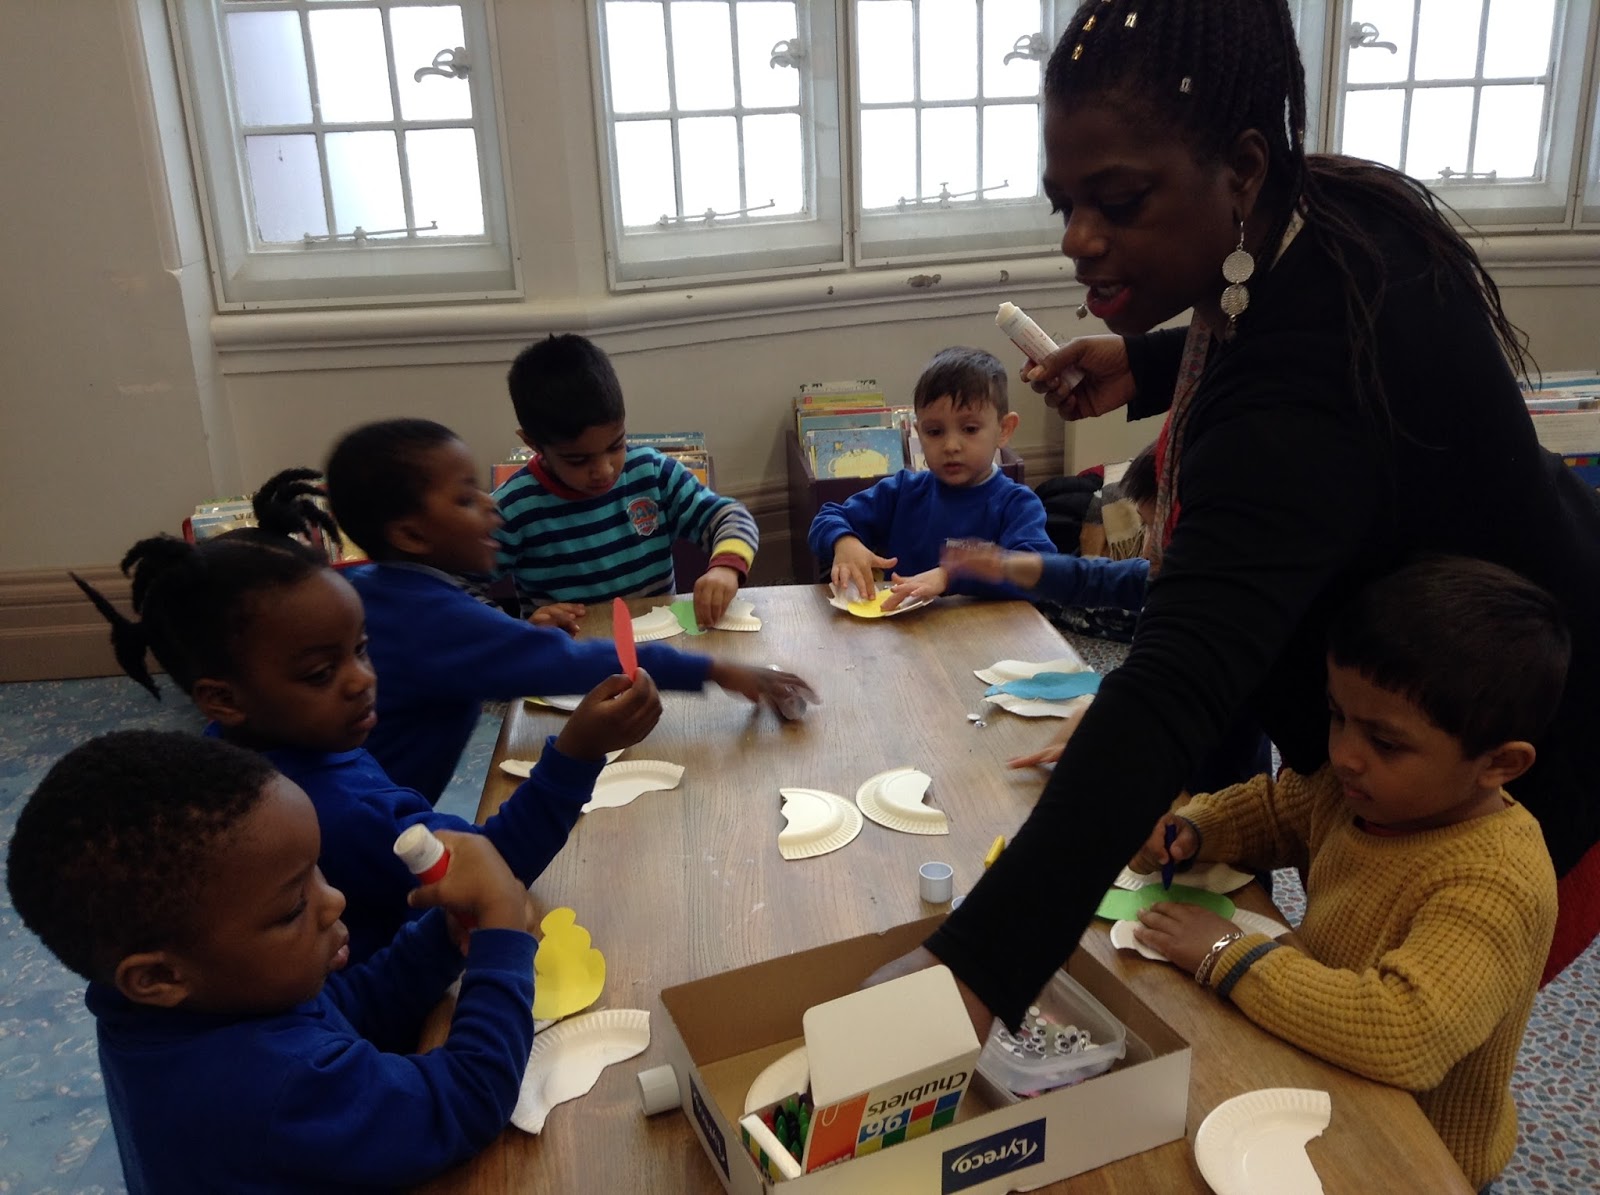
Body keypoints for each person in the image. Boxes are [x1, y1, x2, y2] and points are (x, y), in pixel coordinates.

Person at [870, 0, 1600, 1038]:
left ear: (1243, 168)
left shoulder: (1293, 408)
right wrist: (1151, 361)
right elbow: (1278, 329)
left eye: (1120, 201)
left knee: (1406, 1040)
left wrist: (974, 971)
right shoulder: (1315, 210)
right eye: (1064, 203)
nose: (1078, 239)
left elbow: (1176, 682)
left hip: (1518, 748)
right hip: (1474, 647)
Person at [72, 472, 662, 963]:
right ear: (223, 698)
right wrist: (576, 755)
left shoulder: (235, 748)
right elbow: (489, 873)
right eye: (319, 673)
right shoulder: (339, 809)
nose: (361, 680)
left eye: (360, 649)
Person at [1129, 558, 1563, 1190]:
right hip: (1318, 1071)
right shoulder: (1363, 791)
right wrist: (1195, 829)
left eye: (1385, 743)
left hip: (1410, 1154)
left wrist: (1225, 952)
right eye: (1338, 716)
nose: (1344, 755)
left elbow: (1404, 1033)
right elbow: (1277, 811)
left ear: (1500, 764)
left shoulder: (1495, 881)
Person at [6, 730, 539, 1192]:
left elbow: (346, 1009)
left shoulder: (189, 1004)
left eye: (317, 870)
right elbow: (465, 1101)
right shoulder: (272, 1085)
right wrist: (502, 938)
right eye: (291, 908)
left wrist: (441, 937)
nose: (334, 900)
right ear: (160, 975)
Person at [325, 419, 819, 803]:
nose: (490, 506)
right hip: (370, 829)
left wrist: (511, 632)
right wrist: (716, 669)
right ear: (411, 535)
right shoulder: (430, 617)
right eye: (464, 498)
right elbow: (574, 662)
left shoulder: (371, 587)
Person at [494, 332, 758, 627]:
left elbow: (730, 516)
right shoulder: (512, 508)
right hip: (570, 652)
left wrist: (725, 568)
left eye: (616, 445)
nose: (604, 470)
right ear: (533, 444)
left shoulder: (652, 473)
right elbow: (458, 592)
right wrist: (519, 630)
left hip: (659, 644)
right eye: (578, 460)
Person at [806, 346, 1058, 610]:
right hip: (906, 627)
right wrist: (843, 541)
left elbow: (1039, 573)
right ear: (919, 432)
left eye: (970, 429)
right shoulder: (903, 490)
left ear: (1004, 430)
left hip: (989, 631)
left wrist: (950, 576)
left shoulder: (1018, 504)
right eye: (935, 432)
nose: (951, 446)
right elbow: (826, 518)